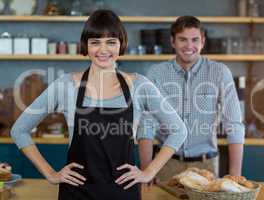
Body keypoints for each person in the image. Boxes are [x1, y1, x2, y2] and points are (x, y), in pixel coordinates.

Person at [10, 10, 187, 200]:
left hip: (123, 193)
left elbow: (179, 131)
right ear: (86, 46)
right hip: (76, 193)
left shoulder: (139, 85)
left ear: (121, 45)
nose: (103, 50)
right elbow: (19, 130)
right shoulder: (66, 85)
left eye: (111, 42)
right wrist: (51, 174)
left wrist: (149, 171)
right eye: (95, 42)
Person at [138, 16, 245, 182]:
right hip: (165, 165)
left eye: (195, 40)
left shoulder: (219, 72)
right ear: (172, 41)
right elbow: (146, 124)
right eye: (182, 40)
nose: (189, 46)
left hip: (206, 166)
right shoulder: (156, 73)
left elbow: (234, 124)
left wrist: (235, 175)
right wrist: (146, 170)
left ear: (202, 41)